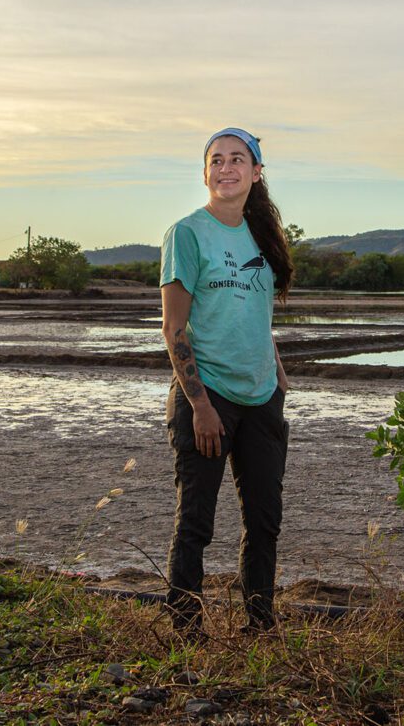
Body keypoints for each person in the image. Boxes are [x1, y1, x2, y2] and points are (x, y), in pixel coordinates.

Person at [160, 127, 294, 637]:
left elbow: (255, 315)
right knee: (196, 520)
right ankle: (185, 628)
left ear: (256, 173)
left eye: (238, 159)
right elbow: (174, 329)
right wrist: (199, 405)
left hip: (262, 398)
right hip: (209, 396)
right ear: (205, 174)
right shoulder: (188, 234)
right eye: (216, 161)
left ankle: (260, 624)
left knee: (264, 521)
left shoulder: (261, 238)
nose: (226, 169)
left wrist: (276, 371)